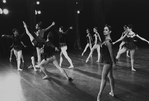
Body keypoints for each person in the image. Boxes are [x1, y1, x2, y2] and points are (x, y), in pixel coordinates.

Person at [97, 25, 115, 101]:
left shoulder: (108, 40)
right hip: (107, 59)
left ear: (110, 31)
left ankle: (99, 95)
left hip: (108, 60)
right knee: (110, 76)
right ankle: (112, 92)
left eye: (106, 30)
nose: (104, 31)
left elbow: (111, 53)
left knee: (103, 78)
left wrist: (113, 63)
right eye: (104, 29)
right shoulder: (107, 39)